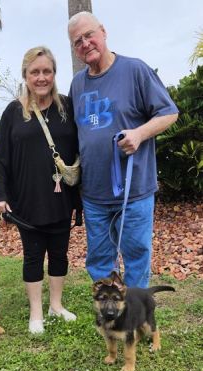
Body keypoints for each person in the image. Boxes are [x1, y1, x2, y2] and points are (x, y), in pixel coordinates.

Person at [68, 12, 178, 288]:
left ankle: (135, 318)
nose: (85, 43)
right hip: (94, 195)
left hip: (135, 191)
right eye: (77, 41)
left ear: (103, 32)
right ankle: (112, 316)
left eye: (89, 35)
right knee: (100, 261)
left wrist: (140, 133)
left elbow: (169, 112)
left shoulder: (135, 70)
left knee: (136, 257)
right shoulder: (78, 84)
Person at [0, 46, 81, 334]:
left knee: (59, 253)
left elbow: (82, 147)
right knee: (33, 255)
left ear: (54, 74)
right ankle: (36, 314)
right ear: (25, 75)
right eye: (35, 72)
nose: (41, 77)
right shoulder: (14, 111)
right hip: (27, 199)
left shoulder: (66, 107)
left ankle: (55, 306)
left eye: (47, 71)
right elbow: (1, 156)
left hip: (60, 197)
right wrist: (1, 195)